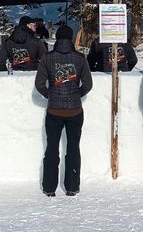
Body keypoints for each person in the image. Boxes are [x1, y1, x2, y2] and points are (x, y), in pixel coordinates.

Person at [34, 25, 93, 196]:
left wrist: (50, 95)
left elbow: (39, 84)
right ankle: (72, 187)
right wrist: (76, 94)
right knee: (73, 148)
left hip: (54, 111)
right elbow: (88, 84)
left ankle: (49, 188)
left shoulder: (47, 58)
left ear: (57, 39)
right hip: (75, 111)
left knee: (52, 148)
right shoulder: (80, 58)